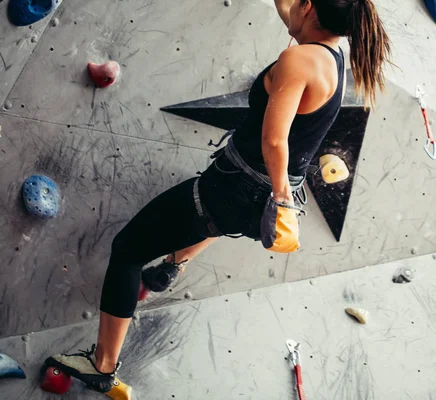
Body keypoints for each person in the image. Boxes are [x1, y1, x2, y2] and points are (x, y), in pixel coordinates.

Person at [42, 0, 392, 393]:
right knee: (210, 222)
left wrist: (282, 203)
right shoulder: (333, 58)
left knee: (128, 249)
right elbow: (289, 11)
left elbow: (275, 141)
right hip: (249, 200)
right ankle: (172, 266)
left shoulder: (299, 61)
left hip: (239, 189)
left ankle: (102, 364)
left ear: (310, 7)